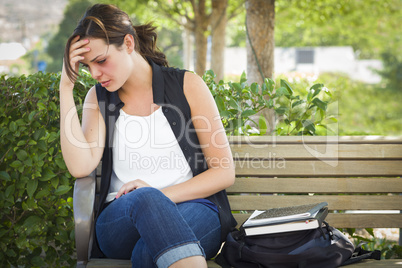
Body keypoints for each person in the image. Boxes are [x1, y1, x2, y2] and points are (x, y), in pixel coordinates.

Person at [60, 4, 237, 268]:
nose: (95, 74)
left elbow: (224, 172)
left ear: (128, 43)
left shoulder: (187, 86)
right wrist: (65, 87)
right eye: (87, 66)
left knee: (149, 251)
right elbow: (80, 167)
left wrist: (159, 194)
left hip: (195, 210)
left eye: (100, 61)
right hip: (121, 221)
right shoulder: (98, 99)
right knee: (143, 198)